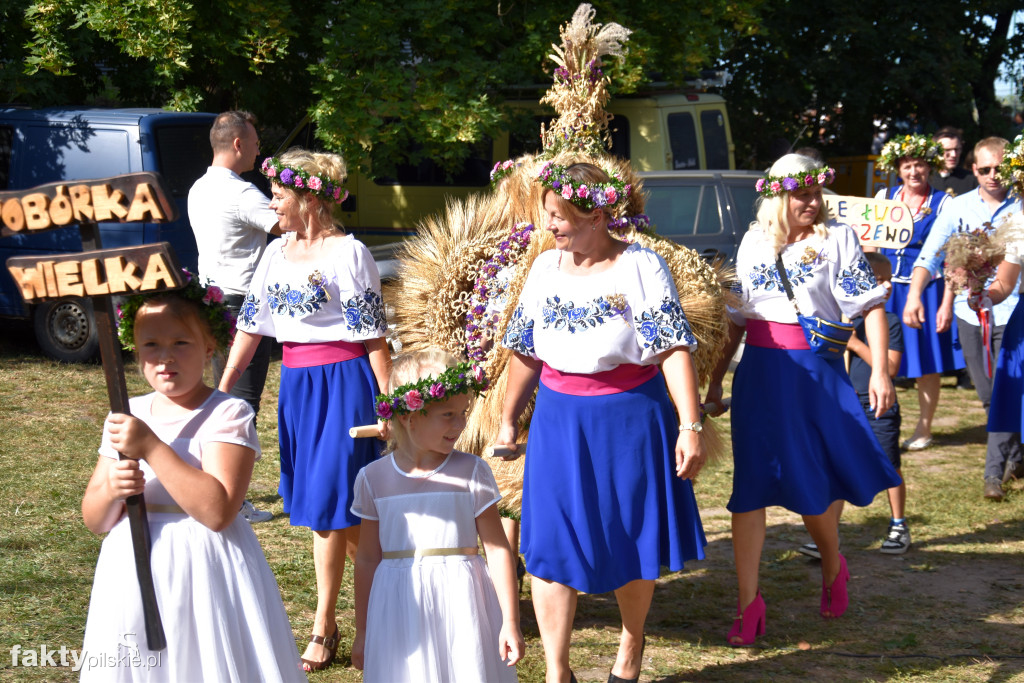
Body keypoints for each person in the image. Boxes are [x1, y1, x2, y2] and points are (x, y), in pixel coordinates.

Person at [495, 161, 708, 683]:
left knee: (628, 536)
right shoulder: (545, 269)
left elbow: (673, 349)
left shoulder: (641, 266)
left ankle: (631, 645)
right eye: (547, 215)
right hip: (558, 421)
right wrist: (506, 419)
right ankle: (556, 670)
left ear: (597, 215)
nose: (549, 225)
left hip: (630, 420)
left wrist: (690, 425)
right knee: (547, 543)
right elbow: (525, 350)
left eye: (558, 215)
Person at [705, 154, 901, 646]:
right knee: (749, 488)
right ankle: (748, 604)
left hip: (816, 375)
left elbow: (870, 306)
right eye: (802, 195)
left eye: (817, 194)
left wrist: (878, 370)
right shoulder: (751, 242)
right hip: (761, 376)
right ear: (778, 196)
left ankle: (833, 567)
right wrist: (713, 382)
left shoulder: (837, 239)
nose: (813, 203)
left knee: (812, 487)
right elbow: (738, 317)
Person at [79, 278, 304, 681]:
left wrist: (151, 446)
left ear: (210, 345)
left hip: (205, 567)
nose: (165, 358)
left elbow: (217, 511)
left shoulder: (227, 413)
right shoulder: (127, 412)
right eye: (151, 346)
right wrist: (112, 488)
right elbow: (95, 520)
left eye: (181, 343)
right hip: (132, 566)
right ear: (134, 349)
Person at [219, 148, 391, 671]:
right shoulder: (274, 254)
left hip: (344, 384)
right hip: (297, 386)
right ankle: (375, 611)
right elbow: (251, 325)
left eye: (279, 193)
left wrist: (390, 404)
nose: (271, 202)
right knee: (339, 511)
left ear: (310, 198)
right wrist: (222, 390)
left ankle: (327, 625)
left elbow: (372, 335)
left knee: (333, 507)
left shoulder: (349, 253)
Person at [351, 349, 524, 681]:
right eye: (448, 415)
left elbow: (498, 549)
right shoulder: (373, 479)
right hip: (400, 604)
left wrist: (510, 622)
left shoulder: (472, 471)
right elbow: (368, 558)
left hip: (463, 603)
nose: (460, 424)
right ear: (408, 415)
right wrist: (362, 630)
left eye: (463, 413)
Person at [904, 137, 1024, 500]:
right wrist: (914, 295)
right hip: (970, 314)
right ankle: (1016, 457)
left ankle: (993, 474)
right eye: (984, 169)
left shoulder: (1018, 210)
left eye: (998, 169)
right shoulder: (959, 208)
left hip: (1011, 314)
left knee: (1006, 387)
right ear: (973, 170)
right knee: (988, 393)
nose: (991, 176)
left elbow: (1009, 275)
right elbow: (930, 255)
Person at [189, 110, 281, 524]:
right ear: (238, 144)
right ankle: (231, 496)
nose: (260, 150)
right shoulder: (242, 193)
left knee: (223, 395)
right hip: (241, 305)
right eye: (257, 142)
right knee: (240, 403)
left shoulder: (198, 187)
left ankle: (217, 484)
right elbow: (286, 225)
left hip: (210, 302)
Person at [798, 253, 911, 558]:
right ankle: (829, 536)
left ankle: (898, 523)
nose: (886, 285)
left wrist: (856, 344)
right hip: (842, 403)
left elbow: (891, 367)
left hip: (875, 402)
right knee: (837, 466)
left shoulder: (887, 322)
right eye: (878, 280)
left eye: (888, 279)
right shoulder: (835, 318)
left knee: (889, 463)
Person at [872, 133, 960, 451]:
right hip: (886, 287)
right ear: (898, 168)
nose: (914, 172)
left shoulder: (943, 203)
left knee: (925, 361)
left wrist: (947, 301)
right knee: (880, 356)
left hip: (927, 290)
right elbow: (870, 243)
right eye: (908, 165)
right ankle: (880, 421)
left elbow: (953, 255)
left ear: (930, 167)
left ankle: (924, 427)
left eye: (920, 165)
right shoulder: (884, 197)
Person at [930, 127, 979, 198]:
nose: (954, 154)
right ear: (936, 151)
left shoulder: (972, 180)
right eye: (947, 150)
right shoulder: (927, 179)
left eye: (956, 149)